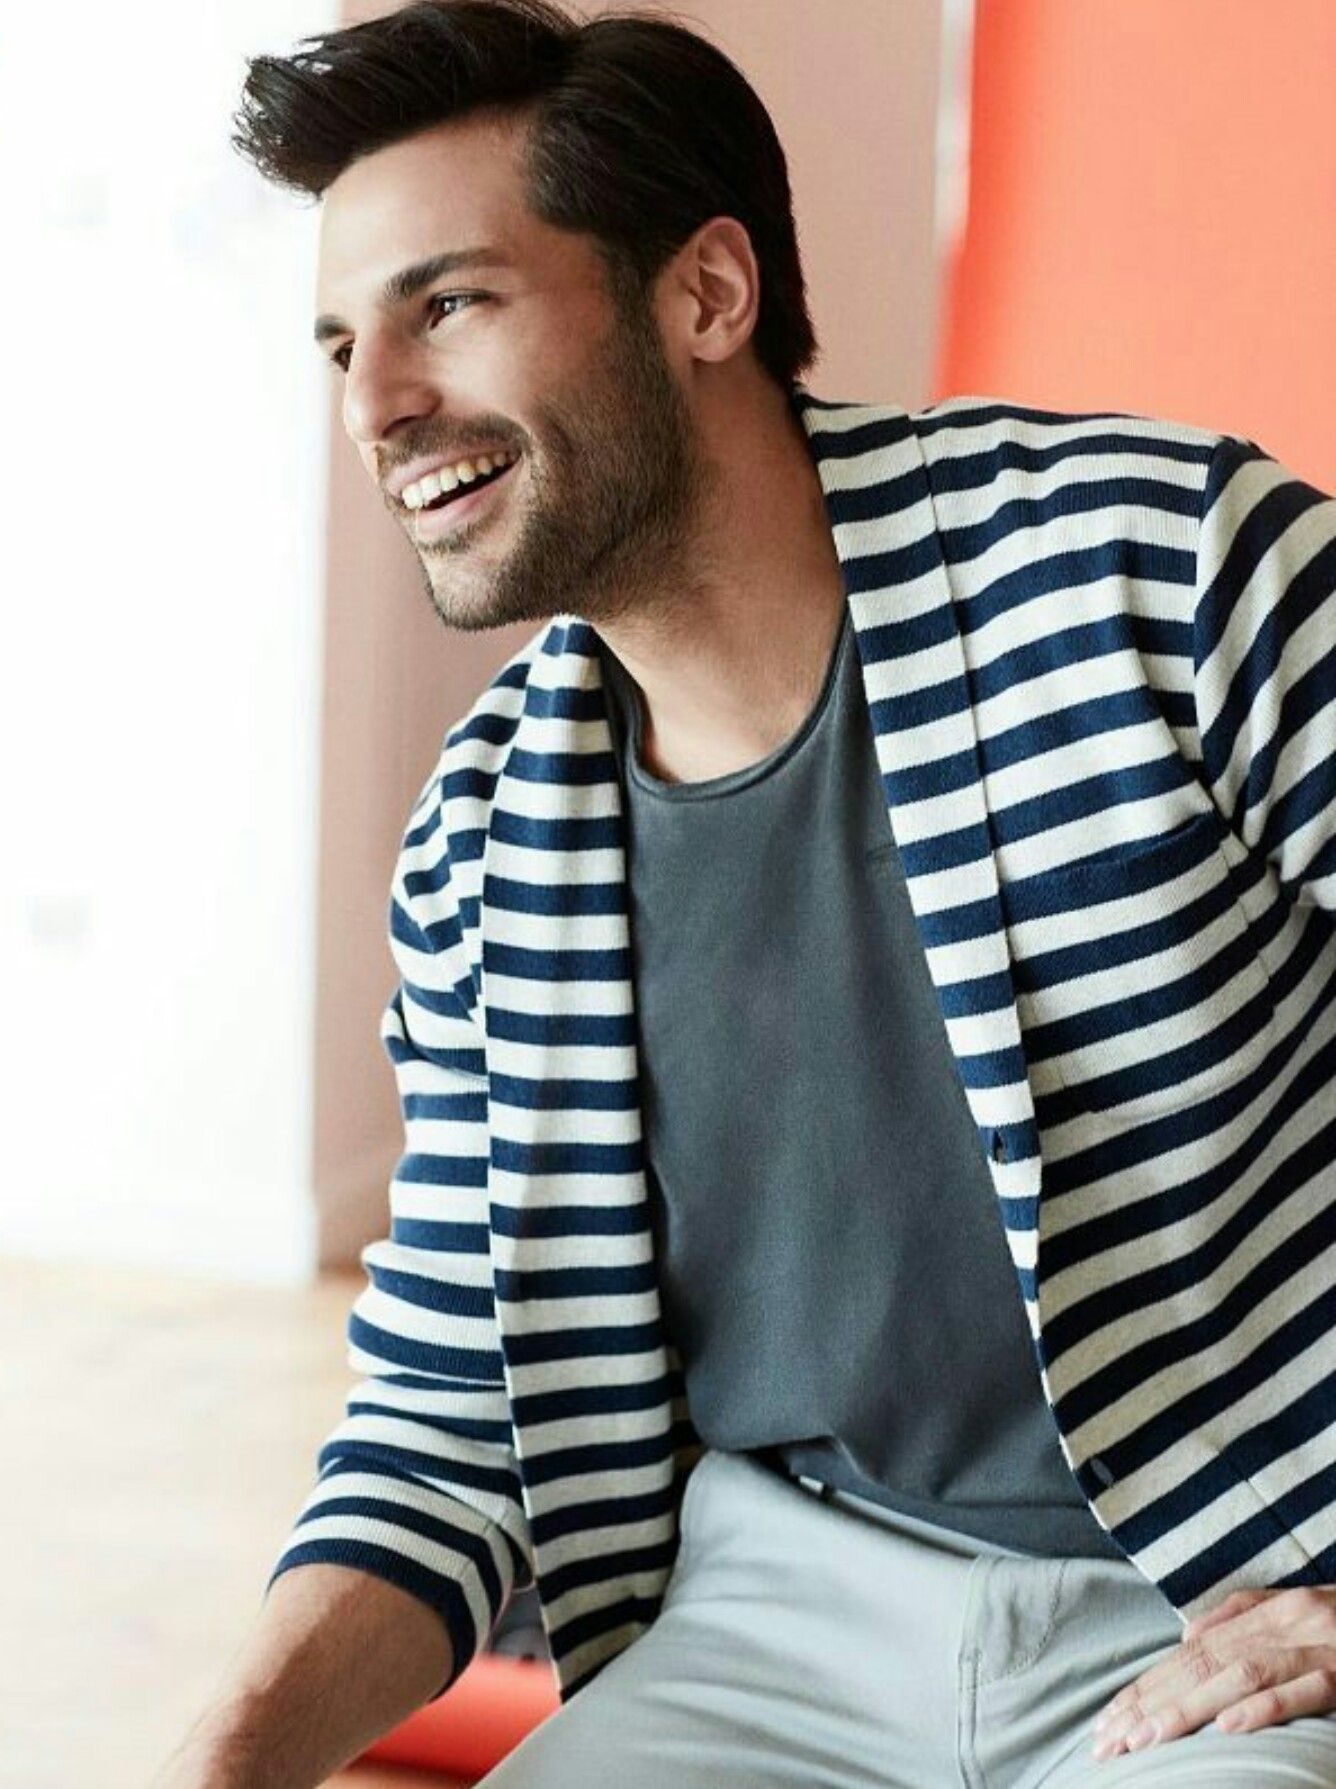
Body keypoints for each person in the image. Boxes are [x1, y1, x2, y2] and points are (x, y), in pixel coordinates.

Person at [155, 2, 1336, 1784]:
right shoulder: (482, 842)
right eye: (342, 343)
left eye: (447, 305)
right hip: (771, 1625)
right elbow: (450, 1417)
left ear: (706, 295)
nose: (375, 406)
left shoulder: (1159, 570)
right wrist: (226, 1755)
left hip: (1220, 1605)